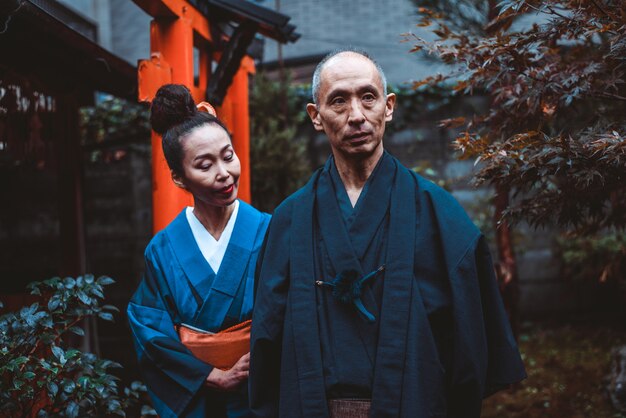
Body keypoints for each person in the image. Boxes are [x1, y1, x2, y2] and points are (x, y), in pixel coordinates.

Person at [249, 49, 526, 418]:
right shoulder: (290, 219)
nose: (357, 116)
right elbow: (269, 334)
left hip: (413, 404)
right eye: (338, 101)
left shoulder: (438, 213)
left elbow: (470, 338)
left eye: (368, 97)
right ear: (316, 117)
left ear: (389, 106)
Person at [127, 84, 270, 418]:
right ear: (179, 178)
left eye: (228, 156)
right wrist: (209, 375)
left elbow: (296, 311)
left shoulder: (270, 231)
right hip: (201, 400)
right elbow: (150, 328)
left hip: (261, 392)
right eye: (205, 165)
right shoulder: (162, 249)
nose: (224, 174)